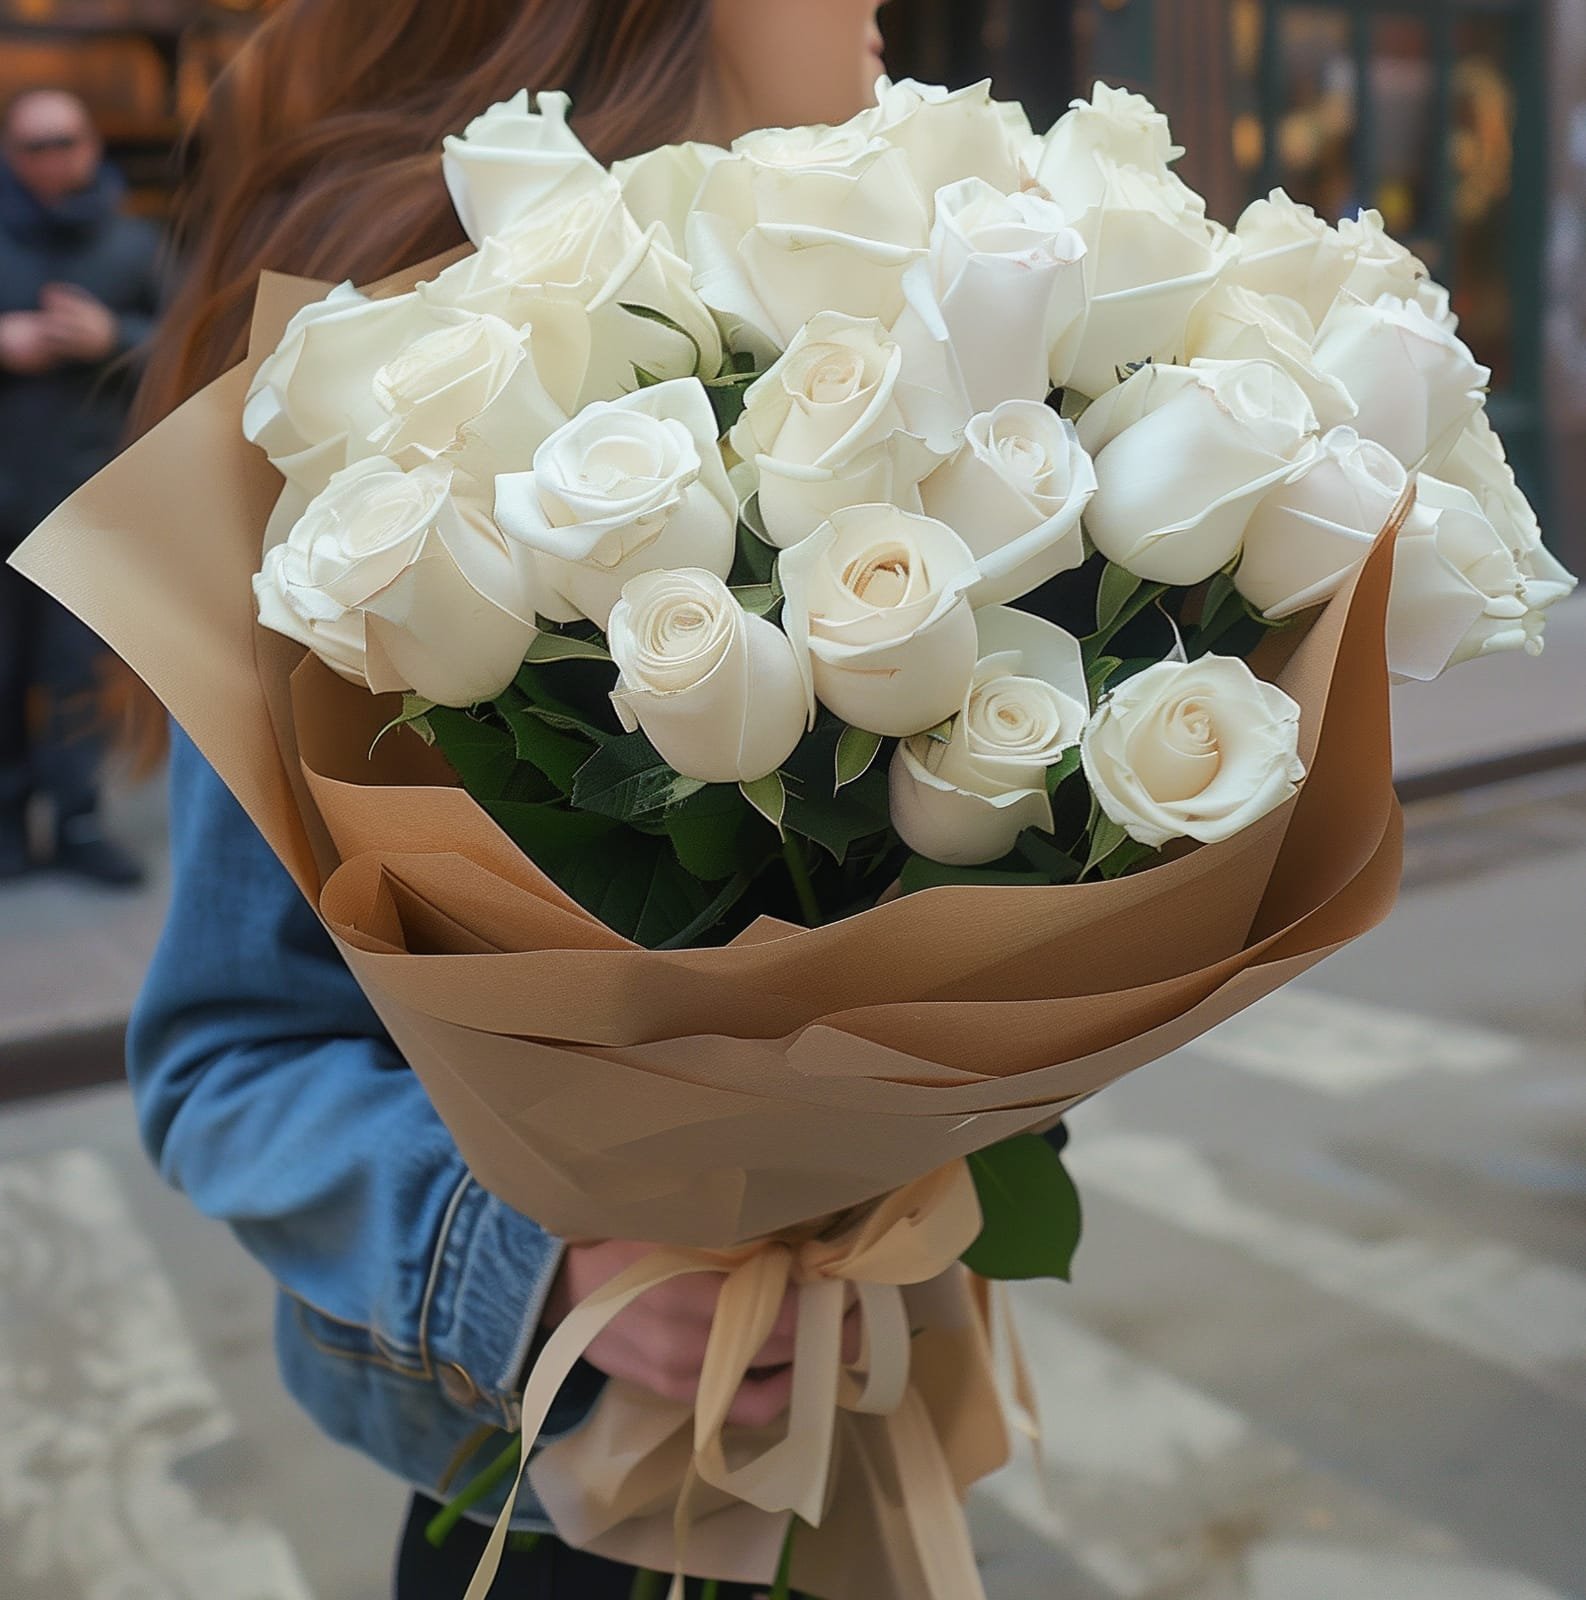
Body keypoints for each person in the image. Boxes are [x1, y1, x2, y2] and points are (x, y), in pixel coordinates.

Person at [126, 4, 890, 1596]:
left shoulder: (861, 353)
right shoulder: (364, 419)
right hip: (557, 1483)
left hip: (860, 1421)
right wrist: (548, 1266)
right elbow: (227, 1056)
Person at [0, 88, 162, 886]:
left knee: (75, 674)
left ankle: (77, 820)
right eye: (33, 145)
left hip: (84, 495)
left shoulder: (134, 244)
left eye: (65, 139)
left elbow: (185, 349)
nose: (52, 157)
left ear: (93, 143)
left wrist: (111, 339)